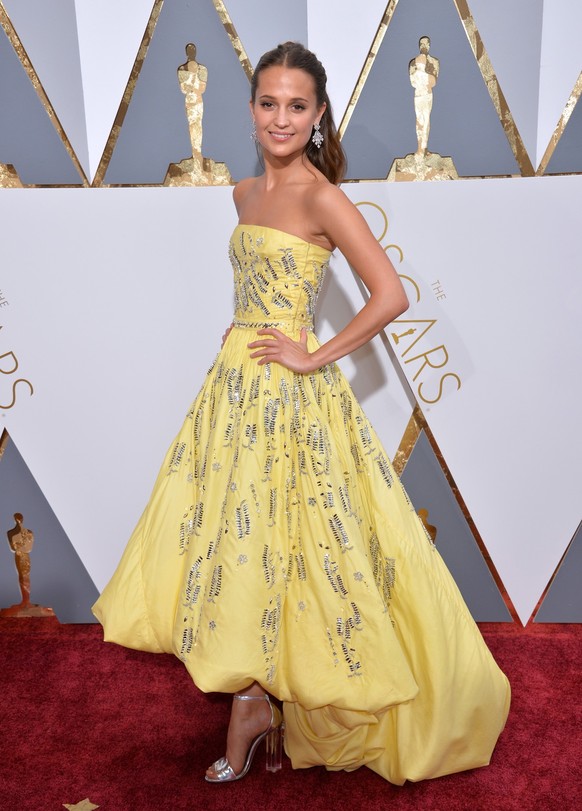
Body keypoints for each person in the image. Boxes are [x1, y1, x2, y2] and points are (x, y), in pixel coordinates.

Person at [93, 41, 510, 785]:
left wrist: (314, 354)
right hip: (234, 389)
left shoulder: (322, 195)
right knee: (244, 544)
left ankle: (259, 704)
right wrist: (244, 325)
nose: (280, 118)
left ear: (317, 116)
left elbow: (392, 294)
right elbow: (257, 280)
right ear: (251, 111)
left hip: (292, 400)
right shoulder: (242, 194)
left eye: (296, 105)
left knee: (307, 545)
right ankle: (255, 700)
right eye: (267, 102)